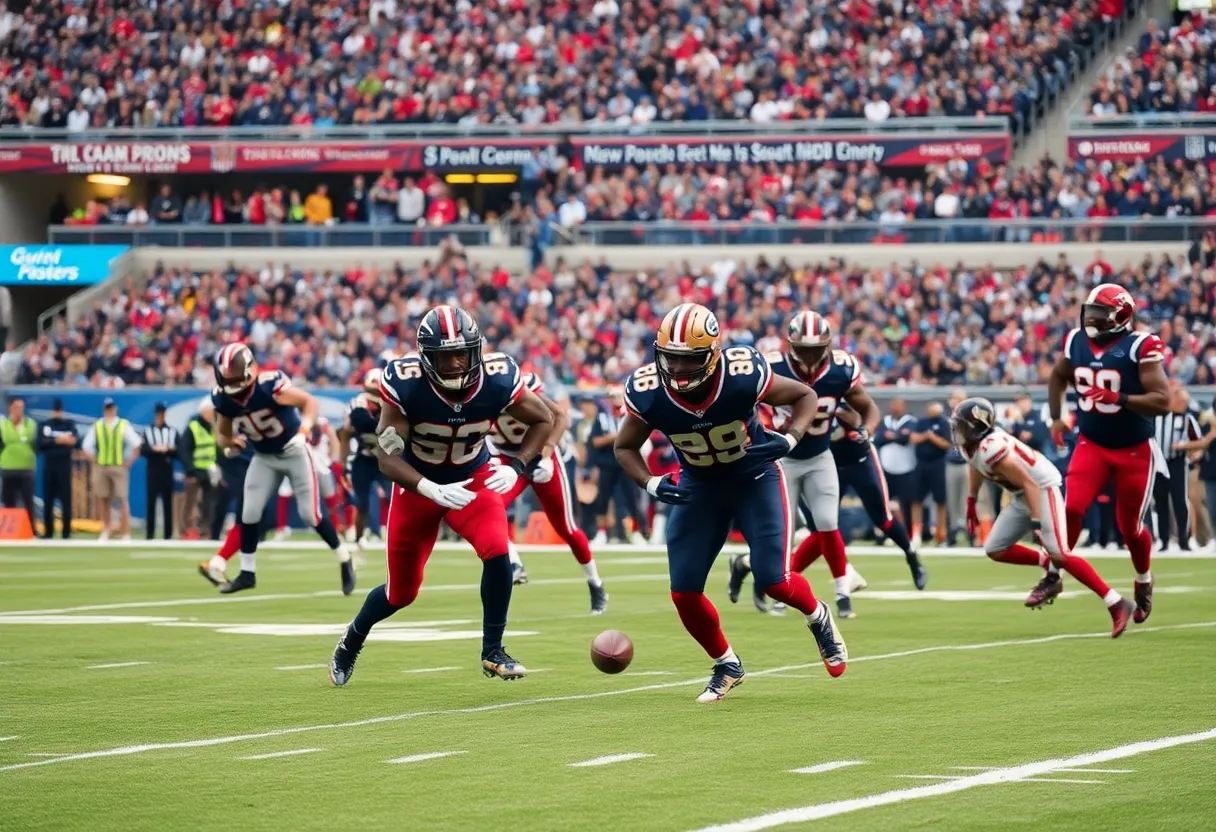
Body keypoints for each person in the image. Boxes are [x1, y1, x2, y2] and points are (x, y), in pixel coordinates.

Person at [613, 303, 847, 704]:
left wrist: (790, 438)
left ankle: (817, 615)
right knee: (683, 592)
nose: (678, 370)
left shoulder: (741, 374)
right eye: (670, 358)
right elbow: (625, 446)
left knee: (774, 579)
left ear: (712, 355)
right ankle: (726, 664)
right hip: (698, 486)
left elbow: (806, 396)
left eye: (688, 361)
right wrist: (650, 483)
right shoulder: (648, 389)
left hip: (753, 478)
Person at [328, 305, 554, 686]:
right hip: (418, 483)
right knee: (401, 593)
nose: (454, 364)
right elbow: (386, 456)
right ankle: (352, 639)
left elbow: (544, 419)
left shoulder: (498, 380)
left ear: (476, 349)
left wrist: (517, 465)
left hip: (472, 476)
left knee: (499, 551)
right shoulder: (406, 383)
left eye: (461, 353)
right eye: (444, 356)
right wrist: (427, 487)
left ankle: (493, 651)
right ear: (425, 358)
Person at [728, 311, 872, 619]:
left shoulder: (840, 369)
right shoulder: (771, 365)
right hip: (783, 459)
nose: (809, 355)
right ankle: (774, 586)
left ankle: (842, 593)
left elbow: (867, 407)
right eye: (803, 349)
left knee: (828, 524)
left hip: (820, 456)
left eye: (815, 349)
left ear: (827, 346)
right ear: (790, 345)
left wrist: (865, 429)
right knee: (782, 533)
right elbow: (742, 400)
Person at [954, 397, 1134, 637]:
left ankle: (1116, 602)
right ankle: (1048, 566)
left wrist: (1037, 523)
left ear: (975, 426)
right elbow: (974, 465)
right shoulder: (973, 445)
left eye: (962, 425)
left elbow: (1029, 482)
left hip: (1041, 487)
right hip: (1021, 494)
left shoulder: (991, 446)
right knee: (995, 548)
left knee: (1060, 552)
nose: (957, 430)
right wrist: (970, 500)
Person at [1048, 283, 1171, 623]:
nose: (1093, 320)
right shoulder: (1076, 341)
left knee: (1128, 526)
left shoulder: (1140, 346)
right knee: (1071, 506)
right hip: (1092, 443)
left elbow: (1164, 400)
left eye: (1101, 315)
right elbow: (1058, 377)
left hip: (1134, 450)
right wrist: (1056, 417)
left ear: (1121, 316)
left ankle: (1144, 581)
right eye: (1091, 312)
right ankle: (1053, 575)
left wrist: (1121, 399)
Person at [210, 342, 354, 595]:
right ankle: (247, 573)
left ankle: (343, 557)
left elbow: (309, 403)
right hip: (264, 456)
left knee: (310, 515)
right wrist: (231, 443)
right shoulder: (223, 398)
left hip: (293, 450)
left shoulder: (269, 385)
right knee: (250, 512)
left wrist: (304, 429)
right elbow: (222, 434)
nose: (231, 384)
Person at [490, 367, 608, 614]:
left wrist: (546, 455)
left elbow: (560, 418)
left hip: (544, 457)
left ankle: (596, 584)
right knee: (490, 509)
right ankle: (514, 564)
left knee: (566, 527)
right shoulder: (484, 393)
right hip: (510, 459)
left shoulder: (525, 388)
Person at [1151, 383, 1204, 552]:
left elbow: (1199, 441)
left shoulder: (1187, 419)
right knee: (1160, 502)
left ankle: (1184, 539)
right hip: (1158, 463)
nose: (1184, 404)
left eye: (1185, 402)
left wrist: (1183, 446)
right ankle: (1164, 540)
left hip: (1177, 463)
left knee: (1180, 501)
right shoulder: (1156, 416)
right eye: (1181, 401)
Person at [340, 369, 390, 547]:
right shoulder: (358, 405)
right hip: (365, 457)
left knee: (394, 501)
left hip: (389, 459)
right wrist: (344, 463)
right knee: (362, 503)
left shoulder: (393, 403)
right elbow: (358, 425)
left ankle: (395, 537)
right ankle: (359, 537)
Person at [81, 398, 141, 540]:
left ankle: (125, 532)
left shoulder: (122, 424)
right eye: (107, 408)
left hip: (118, 466)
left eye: (111, 408)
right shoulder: (98, 425)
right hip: (102, 466)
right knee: (104, 498)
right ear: (104, 410)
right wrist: (95, 461)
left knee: (122, 499)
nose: (109, 411)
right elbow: (86, 446)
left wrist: (129, 462)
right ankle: (107, 529)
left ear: (115, 409)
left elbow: (137, 444)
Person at [911, 401, 952, 545]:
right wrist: (927, 436)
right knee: (917, 499)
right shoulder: (921, 422)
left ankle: (941, 534)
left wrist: (931, 437)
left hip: (937, 464)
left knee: (940, 500)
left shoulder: (943, 423)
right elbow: (914, 438)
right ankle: (916, 533)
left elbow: (946, 444)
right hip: (921, 464)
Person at [37, 397, 78, 539]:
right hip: (49, 466)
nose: (57, 413)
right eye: (55, 410)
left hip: (64, 466)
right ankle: (49, 531)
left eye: (59, 410)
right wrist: (59, 440)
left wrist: (54, 442)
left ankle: (66, 532)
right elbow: (41, 443)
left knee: (66, 500)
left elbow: (74, 441)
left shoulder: (68, 424)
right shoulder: (45, 425)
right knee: (48, 500)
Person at [876, 397, 917, 533]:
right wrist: (897, 435)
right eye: (893, 405)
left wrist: (892, 436)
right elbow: (879, 438)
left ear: (904, 406)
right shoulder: (885, 421)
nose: (895, 408)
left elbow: (906, 439)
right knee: (885, 501)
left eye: (898, 405)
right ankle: (886, 530)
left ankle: (908, 531)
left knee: (906, 502)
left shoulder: (910, 421)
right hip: (887, 466)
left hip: (906, 467)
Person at [141, 402, 181, 540]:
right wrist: (154, 449)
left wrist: (170, 449)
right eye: (159, 413)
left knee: (167, 502)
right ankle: (150, 534)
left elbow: (179, 450)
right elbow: (143, 450)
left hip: (167, 467)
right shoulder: (148, 431)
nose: (160, 416)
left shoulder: (172, 431)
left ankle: (168, 534)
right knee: (151, 502)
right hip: (153, 468)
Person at [0, 396, 37, 529]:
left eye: (21, 407)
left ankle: (31, 529)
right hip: (8, 468)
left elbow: (33, 443)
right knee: (9, 501)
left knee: (28, 501)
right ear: (11, 408)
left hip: (26, 468)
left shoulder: (30, 424)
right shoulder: (3, 424)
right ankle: (9, 529)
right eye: (16, 407)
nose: (19, 410)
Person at [944, 387, 971, 544]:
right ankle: (952, 534)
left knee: (968, 501)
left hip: (967, 463)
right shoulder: (945, 419)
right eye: (956, 399)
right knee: (952, 501)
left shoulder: (971, 419)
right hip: (951, 462)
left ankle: (971, 533)